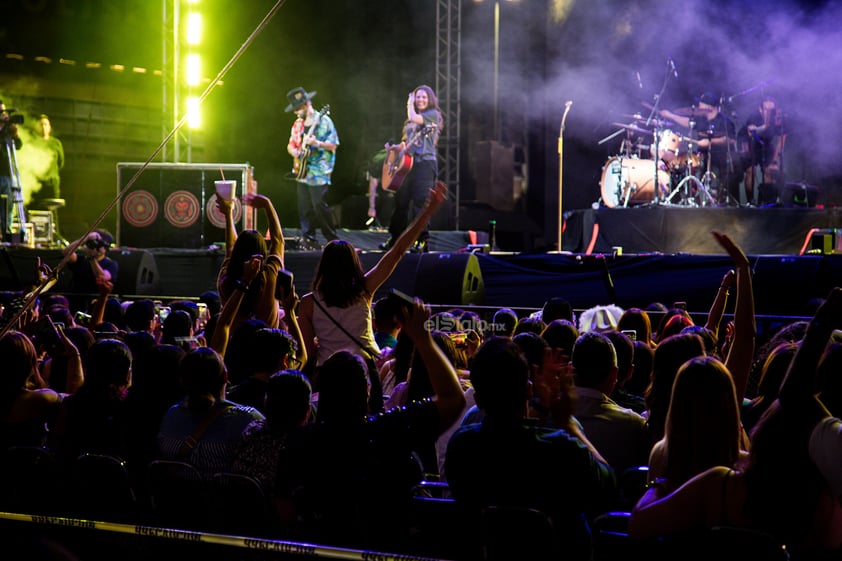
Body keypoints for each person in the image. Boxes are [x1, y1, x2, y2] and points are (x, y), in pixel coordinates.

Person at [381, 85, 443, 253]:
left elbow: (414, 117)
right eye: (418, 97)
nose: (420, 100)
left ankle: (421, 240)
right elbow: (406, 143)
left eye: (424, 97)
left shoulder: (432, 115)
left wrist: (409, 103)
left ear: (430, 100)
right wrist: (395, 151)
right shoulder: (410, 121)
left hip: (425, 164)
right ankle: (395, 239)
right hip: (408, 165)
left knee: (420, 203)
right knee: (400, 202)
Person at [657, 92, 740, 206]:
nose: (698, 108)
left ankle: (718, 198)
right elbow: (688, 122)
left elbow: (731, 140)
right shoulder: (702, 120)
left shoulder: (725, 122)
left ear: (709, 107)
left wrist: (710, 142)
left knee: (717, 181)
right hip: (704, 158)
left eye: (701, 105)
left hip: (721, 159)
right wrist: (671, 115)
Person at [285, 86, 338, 250]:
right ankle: (309, 239)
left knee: (319, 205)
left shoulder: (324, 121)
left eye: (297, 108)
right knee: (304, 207)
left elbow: (333, 145)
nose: (296, 112)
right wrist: (293, 151)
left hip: (319, 171)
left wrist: (317, 143)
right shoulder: (298, 124)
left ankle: (332, 239)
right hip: (302, 171)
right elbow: (290, 145)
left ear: (307, 104)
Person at [739, 96, 785, 205]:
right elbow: (751, 132)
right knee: (751, 171)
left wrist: (775, 159)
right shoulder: (754, 116)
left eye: (771, 110)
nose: (769, 113)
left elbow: (781, 138)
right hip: (750, 142)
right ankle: (750, 201)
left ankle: (766, 201)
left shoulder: (777, 119)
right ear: (760, 109)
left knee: (769, 172)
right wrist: (764, 126)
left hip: (766, 144)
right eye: (766, 109)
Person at [61, 229, 118, 313]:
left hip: (97, 302)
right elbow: (66, 252)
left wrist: (92, 258)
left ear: (105, 247)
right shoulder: (81, 259)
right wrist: (84, 238)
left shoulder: (111, 264)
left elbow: (102, 277)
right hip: (77, 301)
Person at [30, 114, 65, 209]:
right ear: (36, 127)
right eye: (41, 125)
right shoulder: (32, 143)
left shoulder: (56, 143)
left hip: (52, 185)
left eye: (45, 124)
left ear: (50, 127)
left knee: (52, 210)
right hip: (37, 184)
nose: (43, 127)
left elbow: (60, 163)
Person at [0, 100, 23, 239]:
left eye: (4, 111)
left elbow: (18, 145)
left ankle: (6, 234)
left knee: (7, 206)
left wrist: (15, 134)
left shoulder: (8, 130)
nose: (3, 115)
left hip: (7, 174)